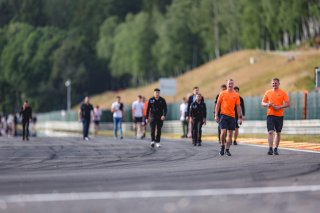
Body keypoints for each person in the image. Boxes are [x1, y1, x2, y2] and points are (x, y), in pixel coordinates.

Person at [261, 78, 290, 155]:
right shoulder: (268, 92)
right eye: (273, 83)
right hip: (270, 115)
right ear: (271, 84)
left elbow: (287, 103)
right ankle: (270, 148)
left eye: (276, 83)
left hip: (279, 115)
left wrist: (280, 107)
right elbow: (263, 103)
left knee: (278, 132)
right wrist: (268, 104)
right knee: (270, 132)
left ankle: (275, 148)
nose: (274, 84)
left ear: (279, 84)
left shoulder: (283, 93)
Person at [215, 79, 242, 156]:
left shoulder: (236, 95)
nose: (230, 85)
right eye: (229, 84)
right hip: (223, 115)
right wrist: (216, 115)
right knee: (223, 132)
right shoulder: (222, 93)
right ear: (227, 84)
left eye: (231, 84)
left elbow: (238, 107)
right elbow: (218, 104)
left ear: (233, 85)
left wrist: (239, 117)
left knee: (230, 134)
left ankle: (227, 149)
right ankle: (222, 146)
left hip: (232, 116)